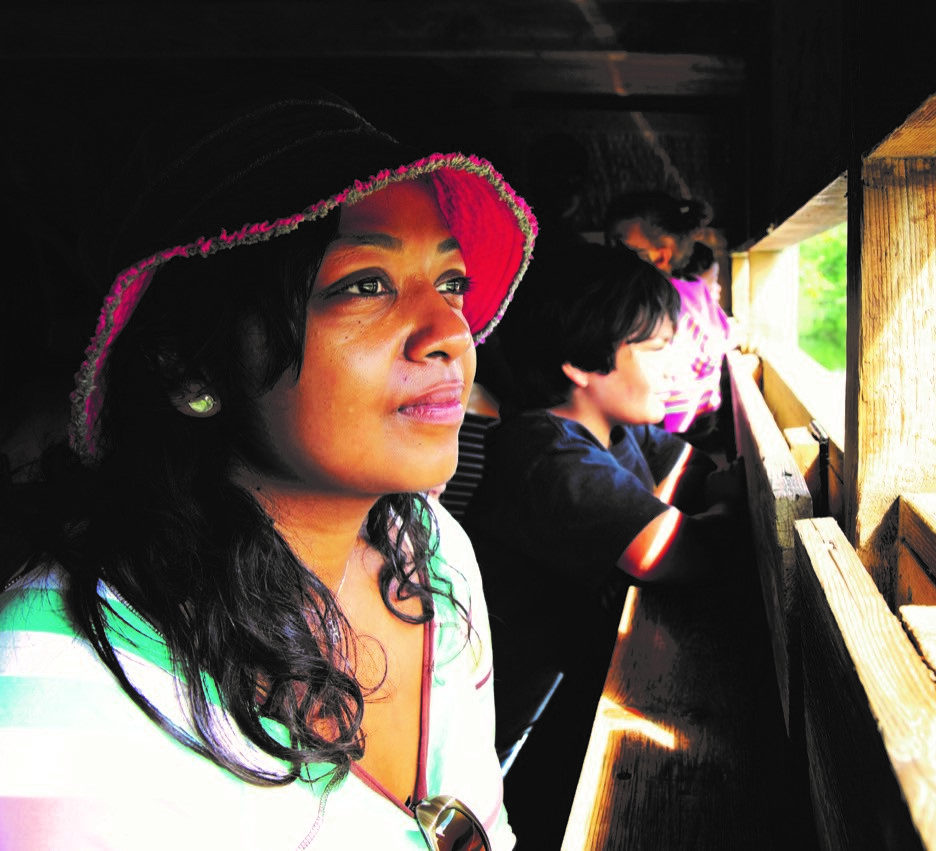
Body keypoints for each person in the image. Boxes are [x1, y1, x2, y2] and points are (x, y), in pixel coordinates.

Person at [0, 91, 536, 850]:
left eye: (451, 284)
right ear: (191, 364)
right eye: (365, 285)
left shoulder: (430, 550)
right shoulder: (63, 671)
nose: (450, 332)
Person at [460, 243, 746, 843]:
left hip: (569, 690)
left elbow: (700, 480)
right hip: (508, 736)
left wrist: (719, 497)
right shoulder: (545, 457)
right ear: (581, 363)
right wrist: (724, 506)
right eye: (656, 349)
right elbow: (682, 553)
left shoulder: (617, 432)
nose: (676, 366)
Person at [604, 191, 734, 448]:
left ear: (661, 256)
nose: (611, 256)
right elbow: (725, 335)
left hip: (662, 426)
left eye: (621, 248)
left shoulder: (643, 304)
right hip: (706, 417)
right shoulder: (698, 290)